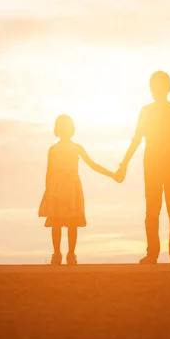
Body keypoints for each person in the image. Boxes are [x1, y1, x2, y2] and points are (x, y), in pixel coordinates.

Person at [114, 71, 170, 264]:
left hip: (169, 166)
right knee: (154, 210)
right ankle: (154, 254)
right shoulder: (147, 112)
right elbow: (137, 138)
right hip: (153, 166)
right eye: (154, 87)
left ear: (167, 88)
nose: (156, 90)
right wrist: (124, 164)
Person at [39, 114, 115, 266]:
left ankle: (71, 254)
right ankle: (57, 254)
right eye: (62, 127)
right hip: (57, 188)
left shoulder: (75, 148)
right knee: (56, 222)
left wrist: (112, 174)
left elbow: (93, 165)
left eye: (67, 127)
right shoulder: (52, 150)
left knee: (72, 222)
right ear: (58, 130)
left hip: (71, 188)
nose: (65, 130)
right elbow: (49, 171)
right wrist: (48, 192)